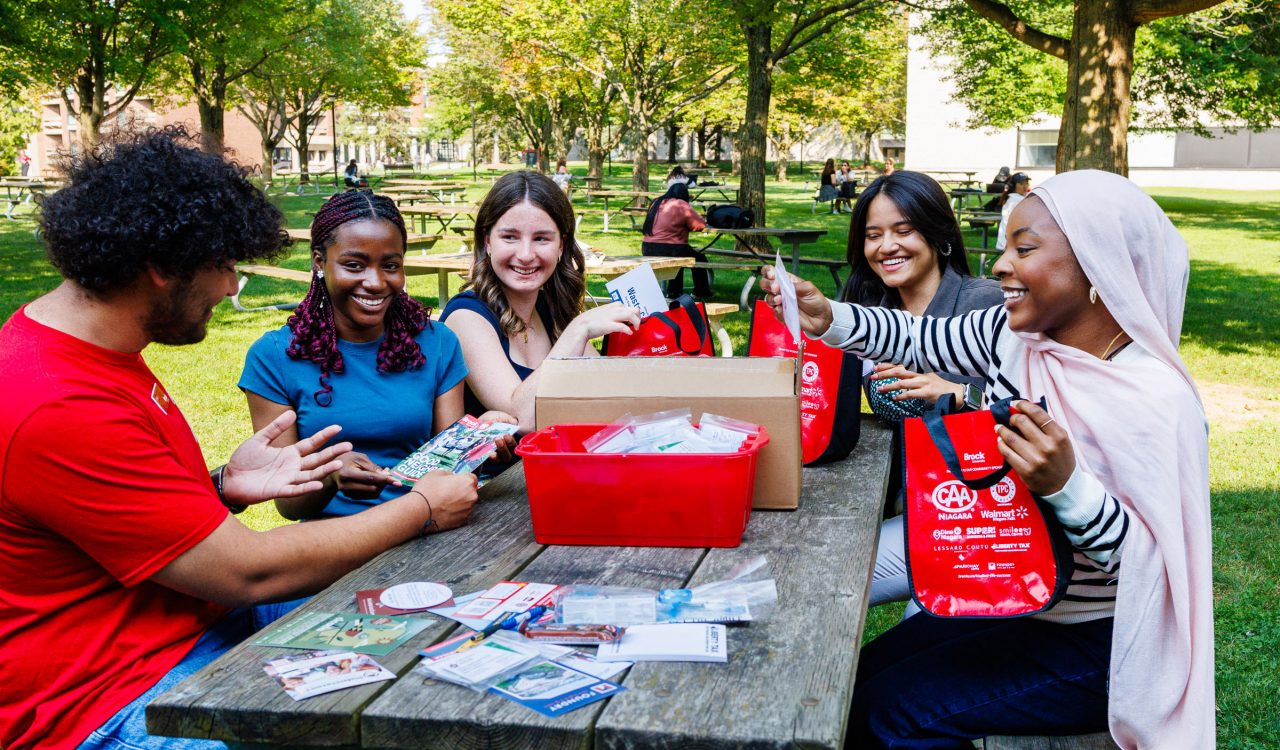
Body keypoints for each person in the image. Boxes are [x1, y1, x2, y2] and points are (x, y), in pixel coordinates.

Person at [0, 127, 479, 750]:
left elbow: (115, 518)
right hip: (116, 697)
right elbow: (247, 574)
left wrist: (224, 486)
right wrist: (422, 508)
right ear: (161, 269)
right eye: (225, 267)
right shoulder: (58, 402)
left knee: (446, 638)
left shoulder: (94, 350)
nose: (232, 288)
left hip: (190, 624)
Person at [760, 169, 1212, 748]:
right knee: (861, 679)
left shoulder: (1153, 400)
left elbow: (1150, 574)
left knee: (890, 717)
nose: (1000, 266)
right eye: (1004, 249)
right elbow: (922, 339)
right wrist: (830, 317)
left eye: (1024, 250)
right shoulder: (1013, 334)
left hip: (1100, 641)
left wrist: (1066, 486)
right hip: (1013, 597)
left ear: (1100, 268)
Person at [239, 190, 513, 520]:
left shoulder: (437, 343)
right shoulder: (272, 358)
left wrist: (479, 441)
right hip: (332, 542)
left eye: (391, 266)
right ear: (318, 262)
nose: (376, 282)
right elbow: (288, 504)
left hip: (424, 524)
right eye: (354, 265)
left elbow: (449, 468)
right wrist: (329, 476)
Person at [840, 171, 1002, 577]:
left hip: (978, 506)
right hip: (896, 491)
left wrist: (959, 392)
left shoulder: (984, 303)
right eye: (873, 234)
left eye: (903, 230)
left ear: (936, 234)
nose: (886, 246)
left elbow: (1028, 407)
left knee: (854, 577)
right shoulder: (867, 306)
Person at [440, 171, 641, 432]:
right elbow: (521, 419)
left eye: (541, 238)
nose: (525, 254)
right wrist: (578, 330)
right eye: (510, 237)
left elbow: (606, 389)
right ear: (487, 241)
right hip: (496, 473)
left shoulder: (550, 307)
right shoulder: (466, 317)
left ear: (561, 245)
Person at [639, 181, 712, 299]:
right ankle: (700, 291)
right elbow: (699, 226)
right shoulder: (681, 204)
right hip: (671, 248)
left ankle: (674, 292)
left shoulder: (656, 202)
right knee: (698, 258)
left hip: (648, 247)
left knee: (680, 257)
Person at [993, 171, 1031, 251]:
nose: (1025, 186)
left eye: (1026, 183)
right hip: (1009, 244)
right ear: (1013, 186)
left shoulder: (1019, 198)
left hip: (1011, 242)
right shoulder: (1015, 200)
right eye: (1021, 184)